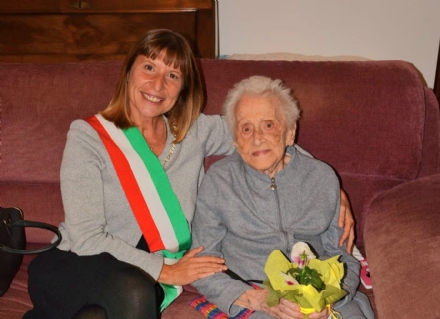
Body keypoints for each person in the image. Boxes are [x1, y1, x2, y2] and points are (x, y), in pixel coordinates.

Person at [24, 30, 355, 319]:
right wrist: (166, 270)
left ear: (182, 88)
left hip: (132, 280)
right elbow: (86, 237)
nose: (157, 84)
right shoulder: (89, 136)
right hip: (74, 263)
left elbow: (266, 139)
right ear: (129, 72)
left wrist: (330, 188)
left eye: (172, 75)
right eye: (149, 68)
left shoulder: (193, 131)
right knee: (137, 290)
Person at [191, 76, 375, 319]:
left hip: (322, 294)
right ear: (235, 141)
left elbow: (343, 259)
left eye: (268, 125)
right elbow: (203, 263)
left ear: (290, 132)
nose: (257, 138)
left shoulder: (321, 178)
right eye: (246, 128)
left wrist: (330, 296)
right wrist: (259, 300)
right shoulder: (219, 181)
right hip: (257, 294)